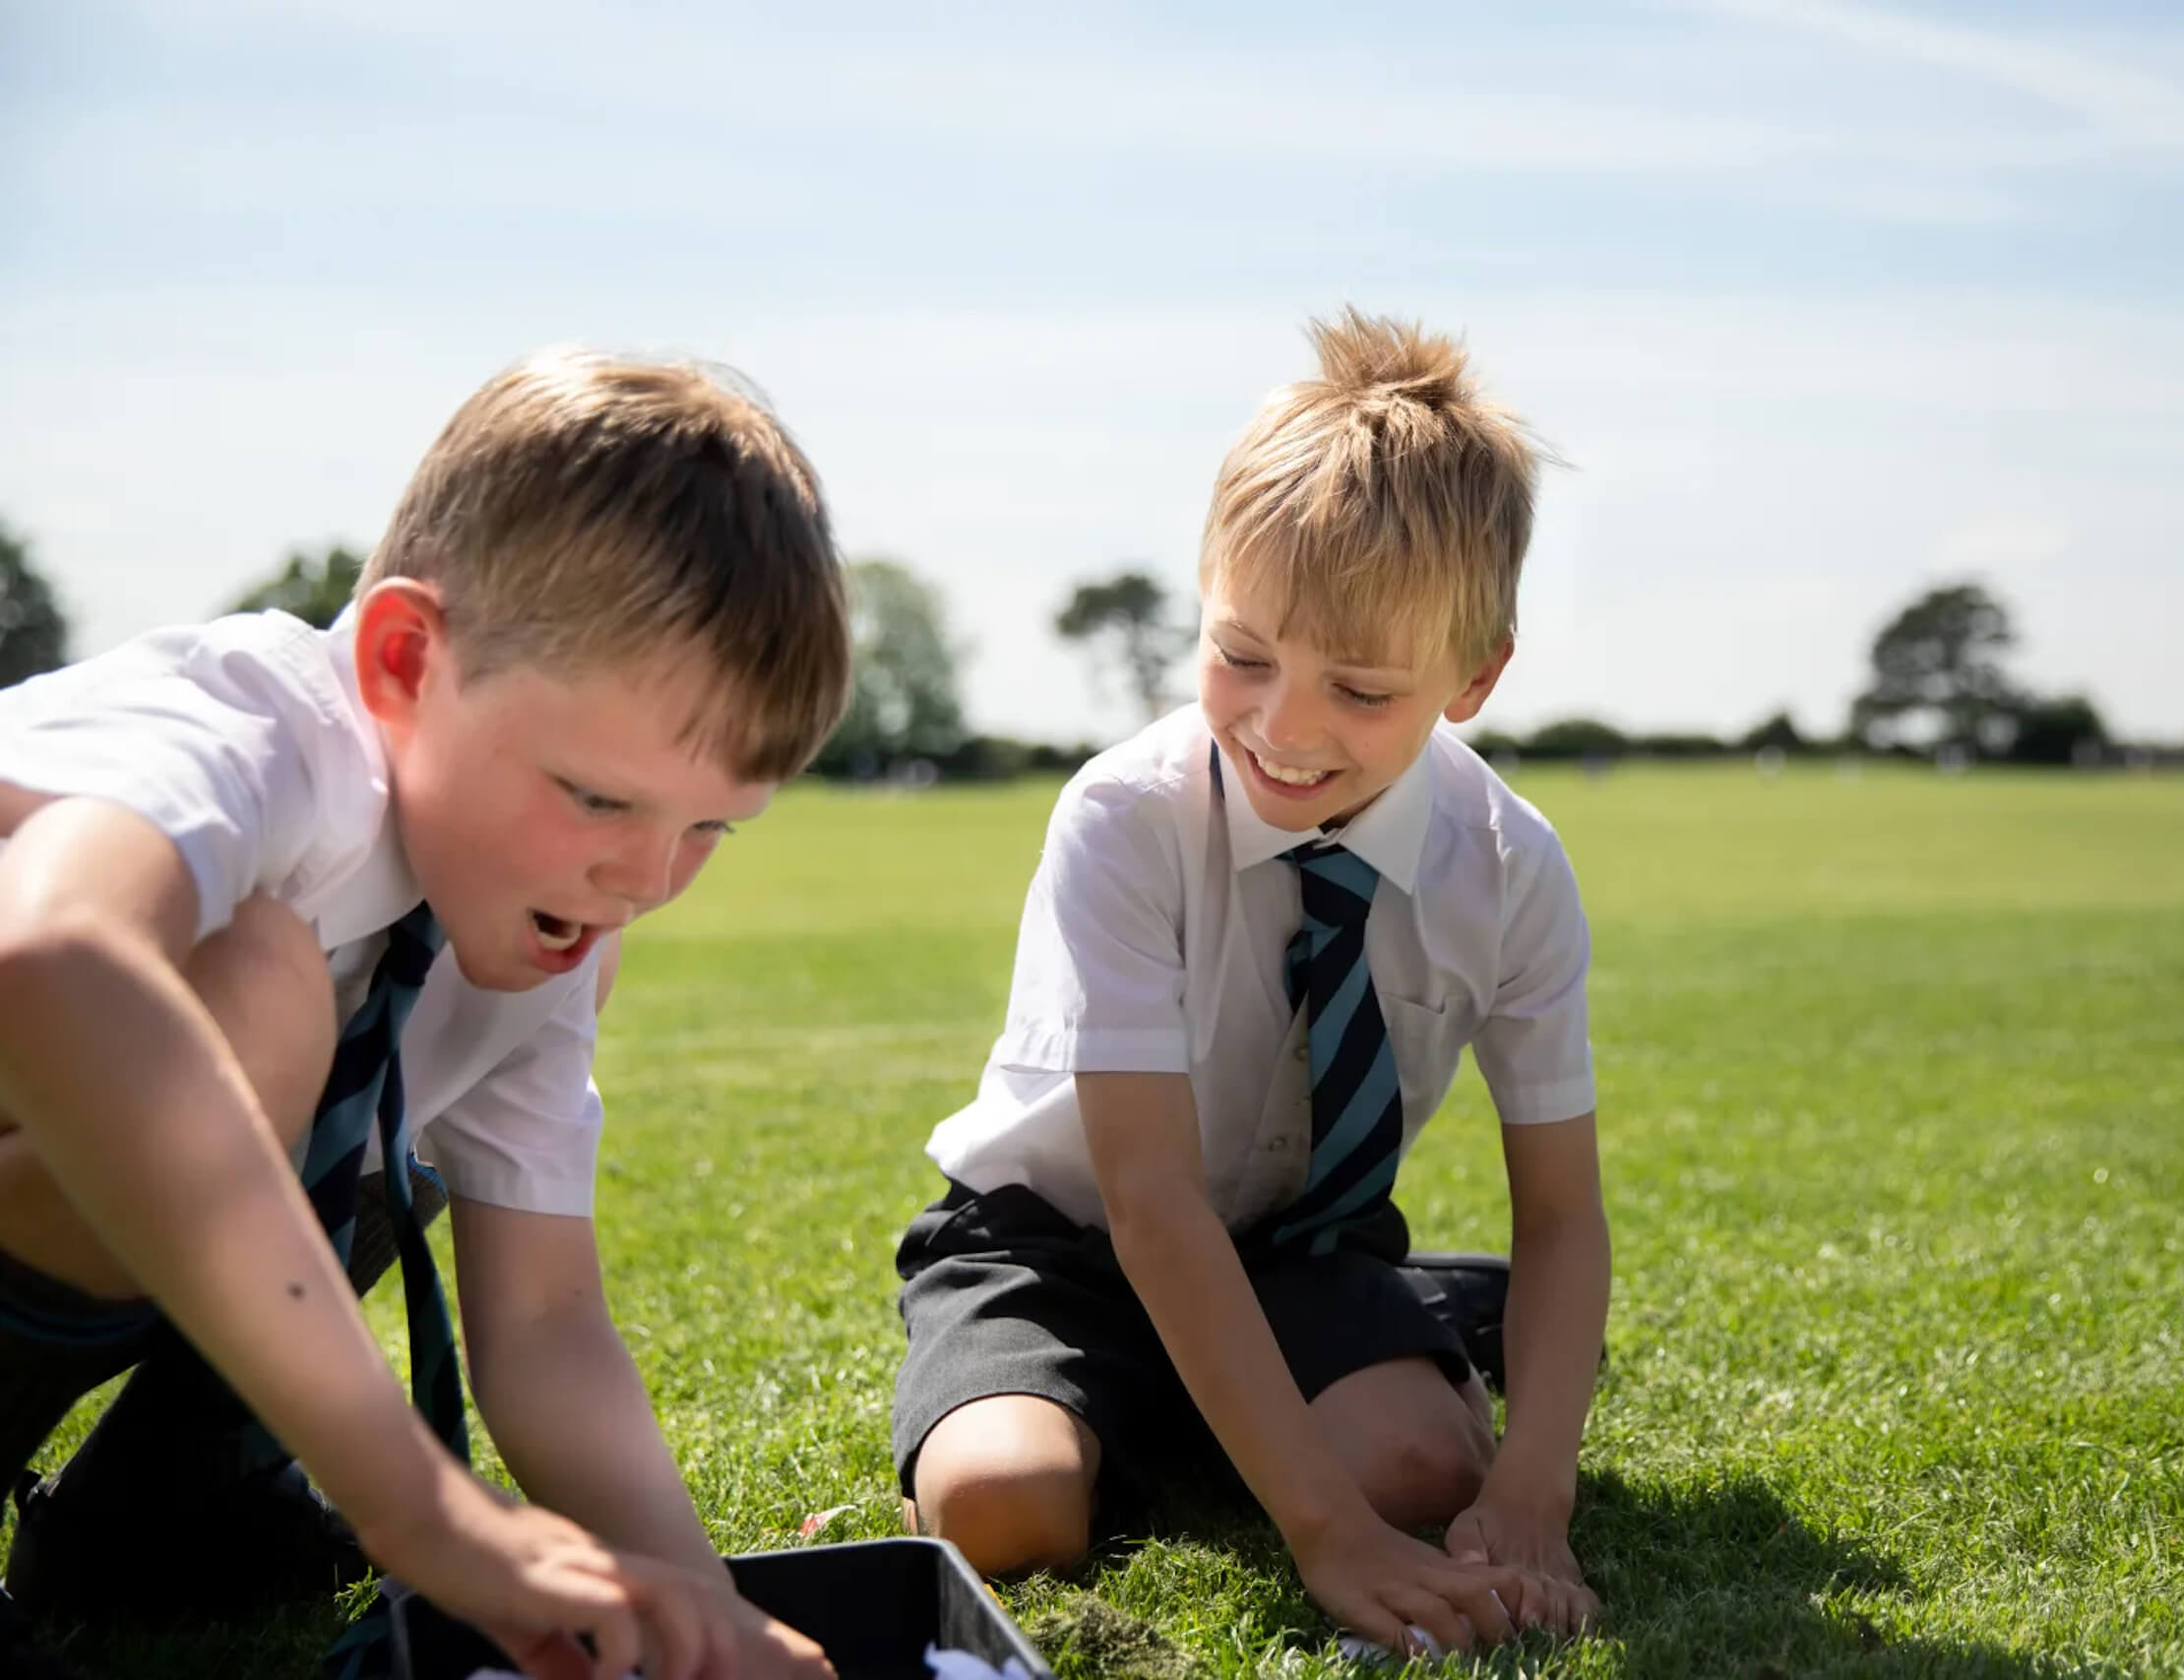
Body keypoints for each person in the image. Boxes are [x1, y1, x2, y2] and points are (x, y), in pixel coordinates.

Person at [0, 350, 850, 1680]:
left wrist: (701, 1613)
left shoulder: (536, 936)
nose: (644, 878)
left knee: (361, 1058)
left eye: (710, 830)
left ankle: (163, 1518)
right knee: (265, 994)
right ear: (405, 660)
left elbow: (547, 1325)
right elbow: (47, 954)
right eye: (596, 796)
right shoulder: (256, 730)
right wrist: (420, 1504)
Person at [891, 310, 1611, 1657]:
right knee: (1002, 1509)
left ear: (1474, 677)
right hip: (1058, 1242)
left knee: (1418, 1473)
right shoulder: (1125, 818)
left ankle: (1378, 1343)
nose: (1286, 725)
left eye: (1361, 686)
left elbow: (1565, 1211)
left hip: (1299, 1247)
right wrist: (1322, 1534)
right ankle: (1211, 1393)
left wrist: (1532, 1485)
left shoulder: (1510, 864)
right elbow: (1152, 1203)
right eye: (1243, 655)